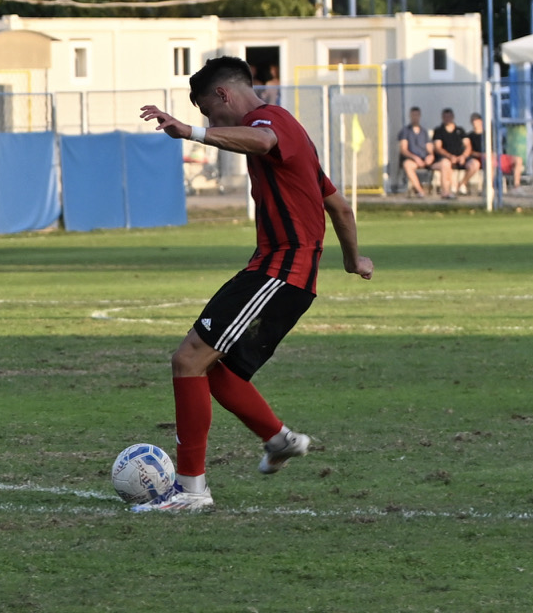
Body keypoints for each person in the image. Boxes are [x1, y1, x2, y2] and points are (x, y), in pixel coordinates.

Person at [134, 56, 373, 513]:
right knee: (216, 372)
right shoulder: (295, 134)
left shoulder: (269, 122)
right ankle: (280, 440)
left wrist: (192, 132)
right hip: (283, 274)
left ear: (223, 94)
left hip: (279, 272)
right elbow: (339, 206)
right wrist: (351, 259)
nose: (211, 120)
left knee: (187, 360)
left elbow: (261, 141)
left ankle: (190, 490)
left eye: (208, 110)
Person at [466, 113, 524, 194]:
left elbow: (496, 147)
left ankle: (516, 186)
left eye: (477, 121)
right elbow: (470, 152)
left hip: (495, 155)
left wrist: (494, 153)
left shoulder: (489, 134)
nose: (475, 123)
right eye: (473, 121)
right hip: (482, 157)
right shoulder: (470, 136)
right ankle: (489, 187)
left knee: (518, 159)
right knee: (491, 161)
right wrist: (481, 154)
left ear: (481, 122)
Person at [397, 106, 444, 197]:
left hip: (425, 159)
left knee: (445, 164)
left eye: (417, 115)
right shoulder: (405, 131)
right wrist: (415, 158)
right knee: (407, 165)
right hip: (413, 159)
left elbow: (429, 147)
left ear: (420, 116)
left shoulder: (424, 132)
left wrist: (430, 156)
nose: (415, 117)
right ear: (410, 116)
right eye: (413, 115)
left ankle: (446, 191)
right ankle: (420, 191)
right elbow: (403, 149)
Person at [431, 108, 474, 199]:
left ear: (453, 117)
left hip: (461, 158)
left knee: (475, 164)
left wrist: (463, 156)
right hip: (445, 158)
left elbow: (468, 146)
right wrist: (450, 156)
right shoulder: (439, 131)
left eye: (449, 116)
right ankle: (446, 192)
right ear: (442, 118)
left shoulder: (460, 130)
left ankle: (461, 185)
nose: (447, 119)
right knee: (445, 164)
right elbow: (438, 148)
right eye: (445, 117)